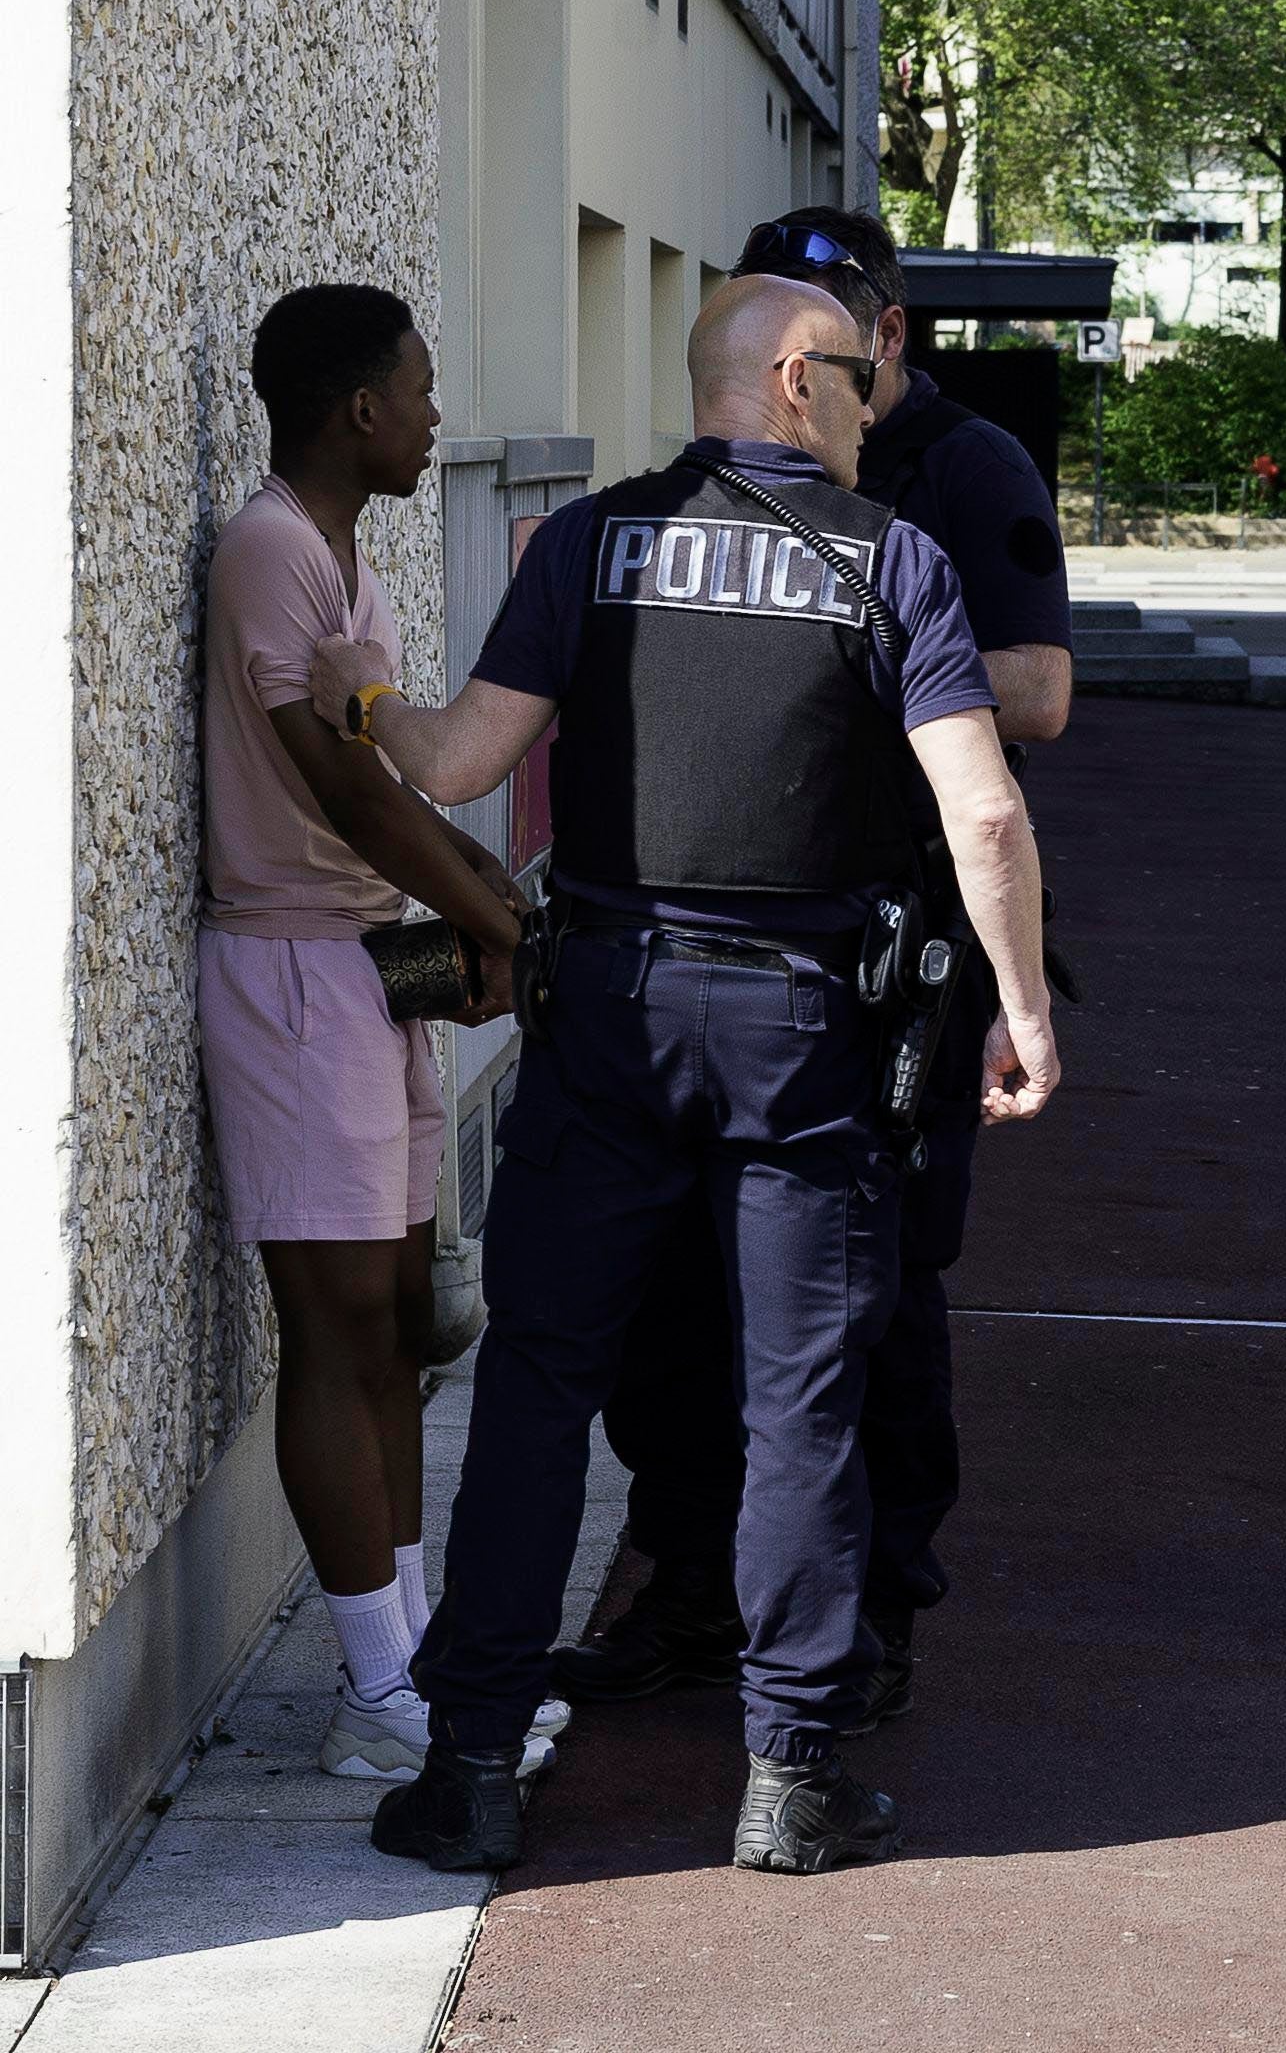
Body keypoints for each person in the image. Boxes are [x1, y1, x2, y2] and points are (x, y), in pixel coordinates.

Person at [337, 276, 1060, 1877]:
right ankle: (788, 1776)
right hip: (806, 1031)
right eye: (864, 381)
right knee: (801, 1393)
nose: (878, 410)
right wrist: (1022, 1005)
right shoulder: (893, 562)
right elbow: (986, 813)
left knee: (540, 1383)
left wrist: (360, 702)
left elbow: (458, 761)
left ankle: (466, 1769)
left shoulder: (589, 544)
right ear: (799, 380)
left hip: (604, 1008)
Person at [548, 208, 1076, 1731]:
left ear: (884, 336)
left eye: (849, 326)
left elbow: (1038, 695)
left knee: (880, 1292)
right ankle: (695, 1586)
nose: (828, 364)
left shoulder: (963, 476)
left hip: (896, 938)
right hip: (718, 938)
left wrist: (871, 637)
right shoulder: (697, 490)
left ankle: (877, 1608)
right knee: (671, 1296)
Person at [201, 286, 561, 1784]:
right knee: (339, 1331)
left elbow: (393, 791)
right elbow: (339, 791)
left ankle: (408, 1671)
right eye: (419, 391)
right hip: (288, 976)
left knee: (405, 1328)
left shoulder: (348, 552)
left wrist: (484, 910)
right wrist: (497, 926)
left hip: (366, 967)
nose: (432, 416)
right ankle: (374, 1701)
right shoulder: (272, 547)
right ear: (358, 410)